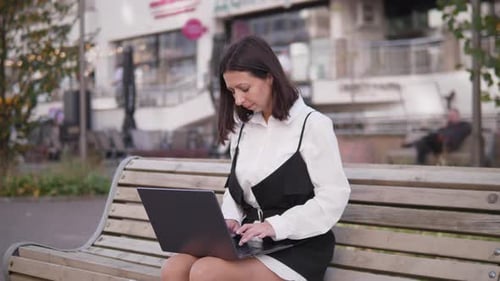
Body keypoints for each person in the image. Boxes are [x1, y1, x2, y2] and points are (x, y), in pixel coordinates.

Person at [160, 35, 351, 281]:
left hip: (297, 247)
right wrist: (229, 218)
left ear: (269, 77)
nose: (238, 100)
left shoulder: (312, 125)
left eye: (244, 88)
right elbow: (236, 190)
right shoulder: (244, 128)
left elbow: (333, 196)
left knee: (205, 272)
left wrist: (275, 226)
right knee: (173, 268)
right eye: (232, 91)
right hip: (251, 241)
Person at [406, 108, 472, 165]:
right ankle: (419, 162)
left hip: (447, 144)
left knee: (428, 138)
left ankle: (414, 145)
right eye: (450, 116)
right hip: (438, 144)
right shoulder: (448, 126)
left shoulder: (463, 125)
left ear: (458, 116)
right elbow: (439, 132)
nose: (451, 117)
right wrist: (445, 127)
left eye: (453, 115)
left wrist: (445, 132)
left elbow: (458, 134)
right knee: (422, 144)